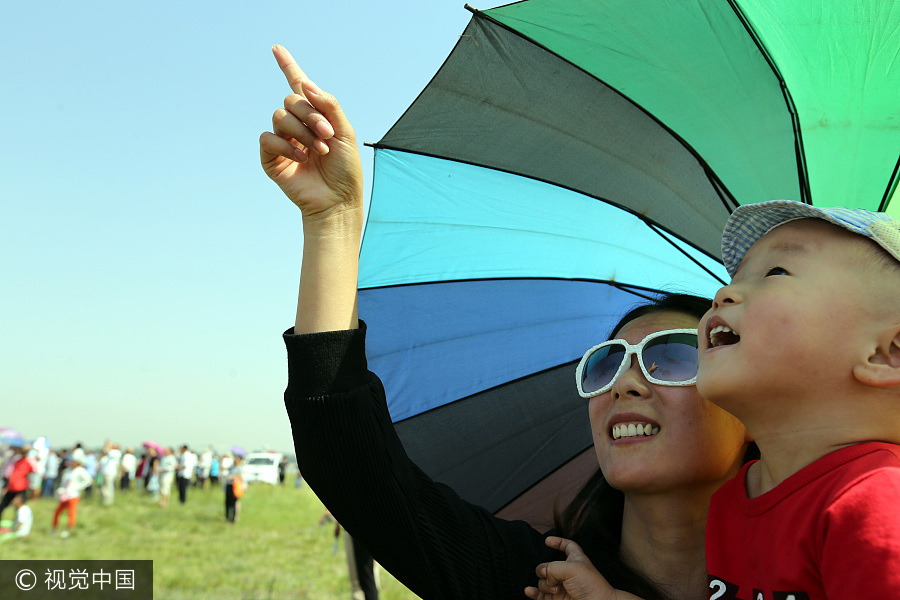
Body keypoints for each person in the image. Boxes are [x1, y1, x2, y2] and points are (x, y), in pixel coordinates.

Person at [260, 45, 753, 600]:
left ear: (755, 407)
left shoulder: (828, 575)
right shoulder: (533, 579)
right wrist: (333, 221)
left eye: (674, 355)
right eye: (607, 362)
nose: (625, 383)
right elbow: (347, 459)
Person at [51, 458, 93, 538]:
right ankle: (54, 529)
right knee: (57, 512)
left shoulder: (80, 471)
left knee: (71, 513)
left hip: (73, 495)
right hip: (65, 495)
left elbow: (88, 480)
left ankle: (69, 530)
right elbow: (64, 483)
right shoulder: (68, 471)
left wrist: (78, 487)